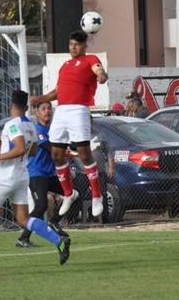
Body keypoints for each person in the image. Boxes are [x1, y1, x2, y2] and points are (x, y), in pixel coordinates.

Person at [0, 90, 70, 270]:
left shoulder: (12, 124)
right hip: (22, 175)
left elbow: (21, 148)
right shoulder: (30, 125)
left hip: (7, 175)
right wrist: (5, 148)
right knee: (23, 218)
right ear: (26, 107)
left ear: (11, 106)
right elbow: (33, 151)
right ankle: (58, 240)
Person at [30, 30, 109, 218]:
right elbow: (58, 91)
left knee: (84, 154)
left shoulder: (90, 59)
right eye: (71, 44)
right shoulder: (65, 65)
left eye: (77, 44)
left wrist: (102, 75)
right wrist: (40, 98)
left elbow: (99, 70)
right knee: (56, 154)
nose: (73, 47)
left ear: (84, 46)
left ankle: (97, 195)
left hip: (79, 110)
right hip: (62, 111)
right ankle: (68, 193)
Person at [16, 101, 69, 247]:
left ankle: (54, 221)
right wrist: (71, 152)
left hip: (50, 175)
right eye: (43, 109)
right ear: (36, 112)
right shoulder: (36, 129)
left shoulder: (54, 130)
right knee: (41, 206)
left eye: (49, 108)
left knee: (72, 194)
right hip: (36, 174)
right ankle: (23, 238)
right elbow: (50, 148)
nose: (47, 111)